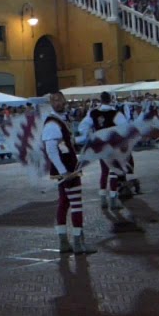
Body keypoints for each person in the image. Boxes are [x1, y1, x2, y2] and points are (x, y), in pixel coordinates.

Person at [42, 92, 96, 254]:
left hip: (67, 167)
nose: (59, 103)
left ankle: (64, 242)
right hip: (67, 170)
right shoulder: (53, 123)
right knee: (76, 204)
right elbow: (51, 150)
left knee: (64, 203)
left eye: (60, 100)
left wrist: (84, 140)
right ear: (51, 103)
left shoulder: (60, 120)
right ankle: (78, 243)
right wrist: (64, 172)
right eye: (55, 100)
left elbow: (66, 144)